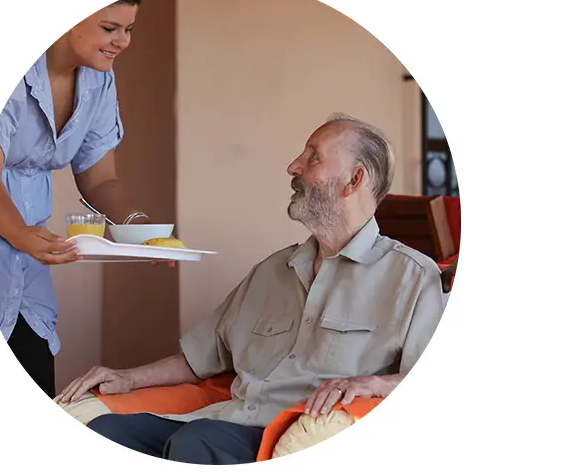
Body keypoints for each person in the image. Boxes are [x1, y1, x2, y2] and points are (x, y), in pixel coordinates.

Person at [56, 113, 447, 464]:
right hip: (222, 422)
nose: (293, 166)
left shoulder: (411, 278)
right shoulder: (272, 271)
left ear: (355, 180)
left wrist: (373, 383)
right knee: (107, 434)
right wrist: (127, 379)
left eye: (312, 157)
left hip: (282, 438)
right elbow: (200, 357)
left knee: (196, 443)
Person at [0, 0, 163, 399]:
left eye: (129, 29)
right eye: (109, 28)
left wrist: (137, 227)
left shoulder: (99, 79)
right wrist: (18, 232)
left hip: (27, 265)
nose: (123, 42)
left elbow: (99, 181)